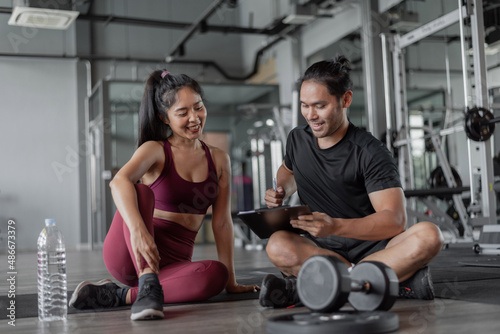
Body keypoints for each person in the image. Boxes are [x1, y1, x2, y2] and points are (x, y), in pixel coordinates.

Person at [69, 70, 258, 320]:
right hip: (132, 252)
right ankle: (145, 283)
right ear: (164, 118)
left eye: (198, 107)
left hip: (172, 265)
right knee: (138, 190)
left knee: (216, 274)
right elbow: (118, 182)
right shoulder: (155, 150)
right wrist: (138, 232)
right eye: (182, 113)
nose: (194, 118)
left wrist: (231, 282)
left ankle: (117, 295)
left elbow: (222, 222)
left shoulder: (219, 159)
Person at [258, 55, 444, 309]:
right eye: (304, 105)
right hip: (320, 249)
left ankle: (314, 288)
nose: (310, 115)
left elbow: (394, 220)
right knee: (278, 244)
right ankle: (378, 283)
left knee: (429, 235)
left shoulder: (370, 152)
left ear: (345, 99)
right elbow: (288, 171)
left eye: (319, 106)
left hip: (375, 250)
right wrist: (280, 191)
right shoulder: (297, 139)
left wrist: (335, 226)